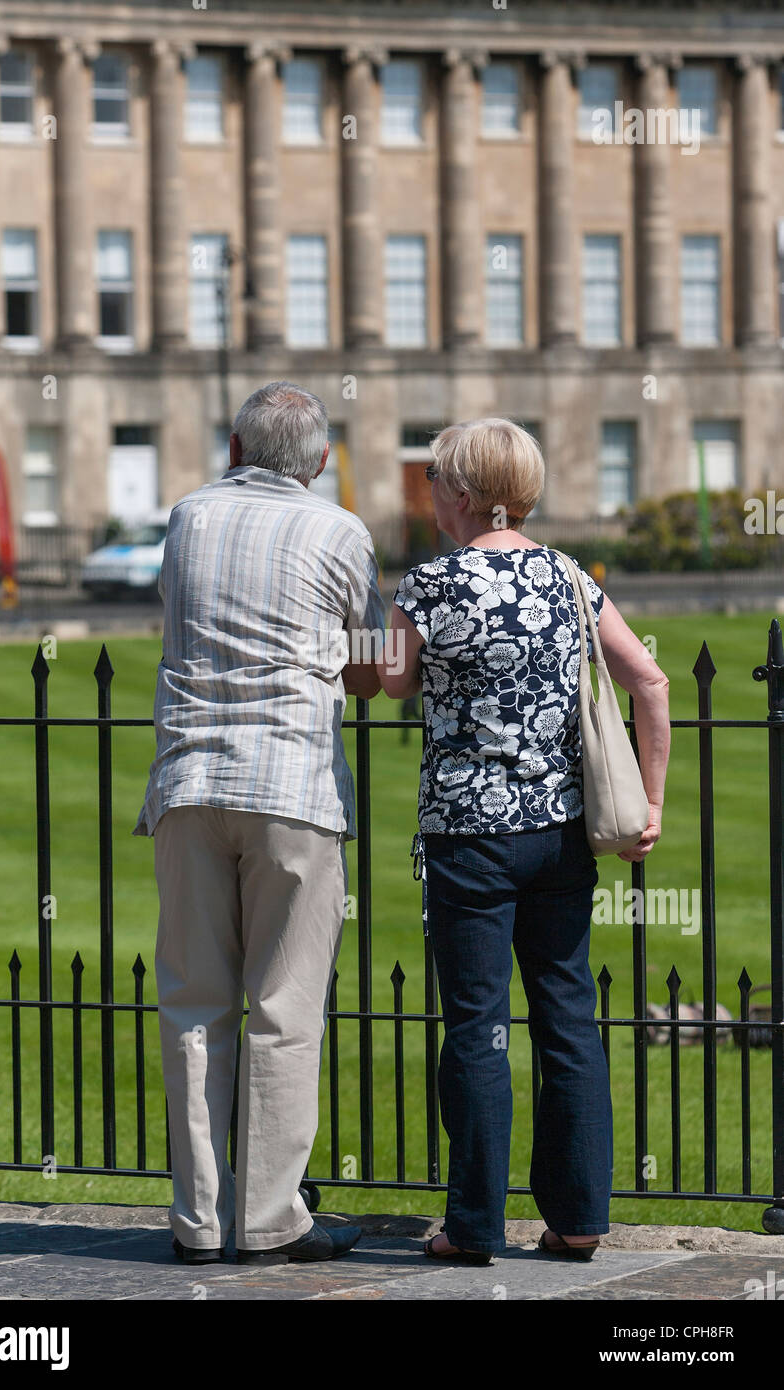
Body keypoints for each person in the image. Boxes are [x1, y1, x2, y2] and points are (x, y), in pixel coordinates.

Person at [376, 418, 670, 1264]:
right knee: (567, 1016)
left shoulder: (431, 582)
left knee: (475, 1025)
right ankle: (579, 1218)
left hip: (468, 834)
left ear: (463, 494)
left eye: (433, 477)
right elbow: (648, 681)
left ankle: (472, 1226)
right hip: (561, 833)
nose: (427, 491)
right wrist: (649, 803)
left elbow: (393, 680)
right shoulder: (569, 575)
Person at [134, 382, 384, 1265]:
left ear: (235, 450)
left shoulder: (188, 517)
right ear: (318, 463)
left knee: (194, 1008)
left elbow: (180, 622)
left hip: (191, 780)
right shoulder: (341, 530)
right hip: (292, 785)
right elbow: (372, 667)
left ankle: (199, 1222)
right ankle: (272, 1218)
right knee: (284, 1009)